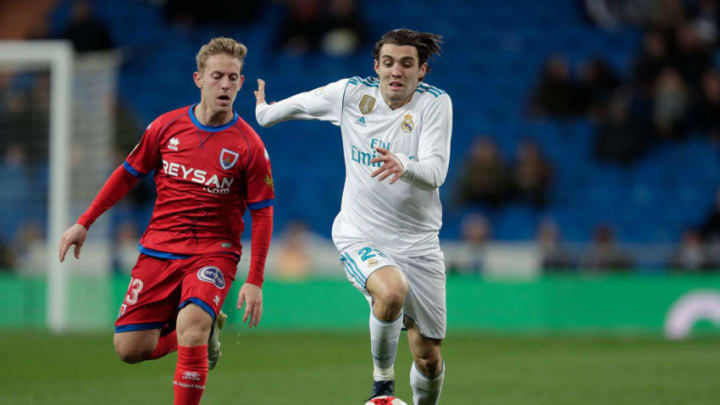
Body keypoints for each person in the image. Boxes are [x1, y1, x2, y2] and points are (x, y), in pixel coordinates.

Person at [58, 37, 274, 405]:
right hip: (159, 249)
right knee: (129, 348)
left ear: (241, 82)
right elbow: (126, 174)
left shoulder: (249, 145)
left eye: (233, 78)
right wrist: (85, 222)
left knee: (192, 325)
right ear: (198, 79)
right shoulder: (165, 127)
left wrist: (254, 280)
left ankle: (199, 331)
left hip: (213, 252)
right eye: (217, 76)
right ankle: (202, 333)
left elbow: (263, 212)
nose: (225, 84)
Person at [255, 28, 450, 405]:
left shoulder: (435, 104)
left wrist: (403, 164)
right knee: (391, 291)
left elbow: (436, 172)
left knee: (428, 356)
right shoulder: (351, 94)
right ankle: (382, 388)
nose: (397, 71)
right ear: (376, 66)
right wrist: (264, 112)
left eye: (407, 64)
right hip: (362, 234)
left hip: (420, 244)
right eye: (389, 63)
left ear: (421, 70)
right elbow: (299, 106)